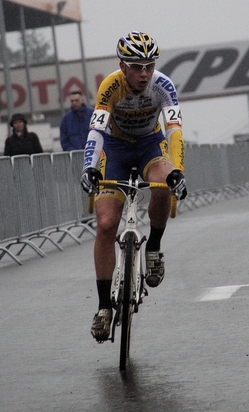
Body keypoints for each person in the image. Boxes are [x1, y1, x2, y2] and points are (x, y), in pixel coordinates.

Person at [80, 31, 187, 342]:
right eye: (137, 67)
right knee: (106, 224)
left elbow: (174, 130)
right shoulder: (110, 85)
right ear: (122, 66)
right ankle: (103, 308)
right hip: (114, 148)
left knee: (163, 182)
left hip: (149, 145)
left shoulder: (163, 85)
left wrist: (177, 171)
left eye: (149, 66)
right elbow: (96, 131)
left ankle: (153, 248)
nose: (144, 73)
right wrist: (88, 166)